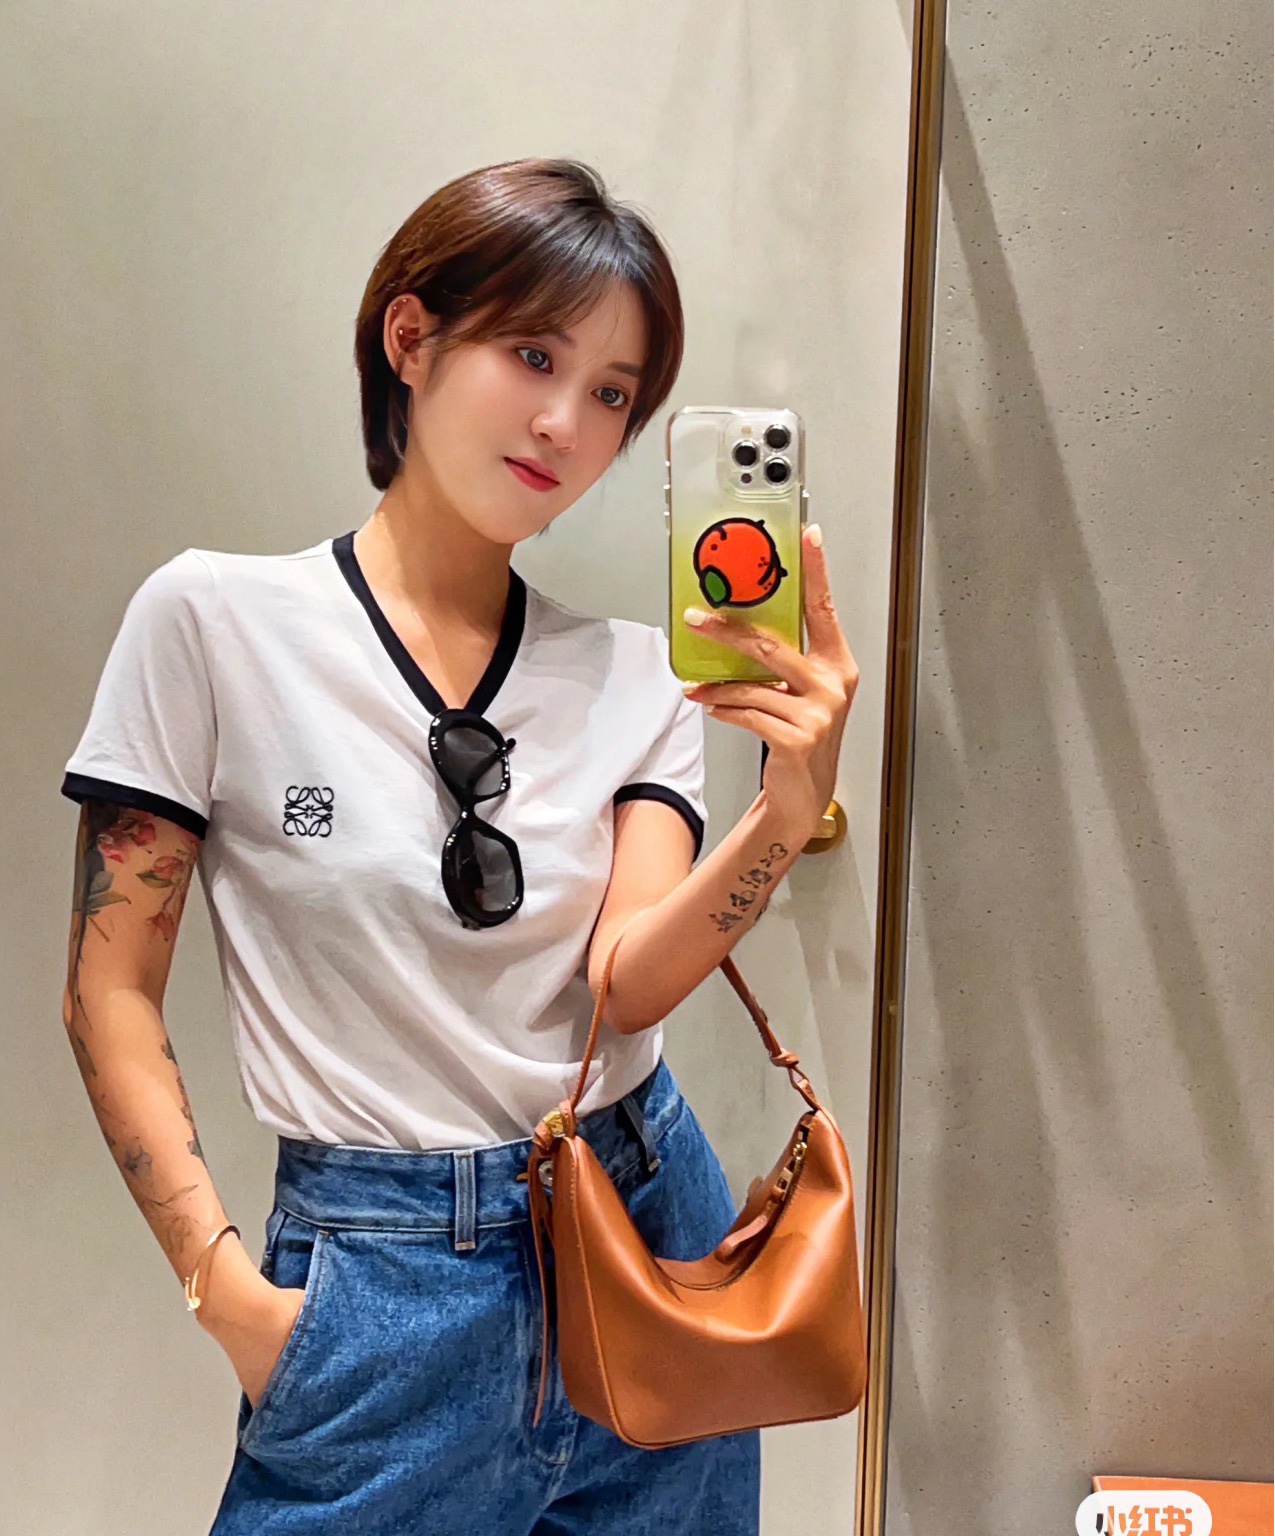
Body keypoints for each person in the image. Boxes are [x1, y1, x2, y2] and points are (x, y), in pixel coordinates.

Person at [59, 156, 860, 1534]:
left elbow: (630, 983)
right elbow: (108, 988)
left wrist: (783, 817)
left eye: (612, 395)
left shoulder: (635, 677)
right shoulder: (213, 627)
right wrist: (225, 1291)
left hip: (644, 1243)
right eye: (534, 355)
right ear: (412, 339)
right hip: (378, 1292)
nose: (564, 422)